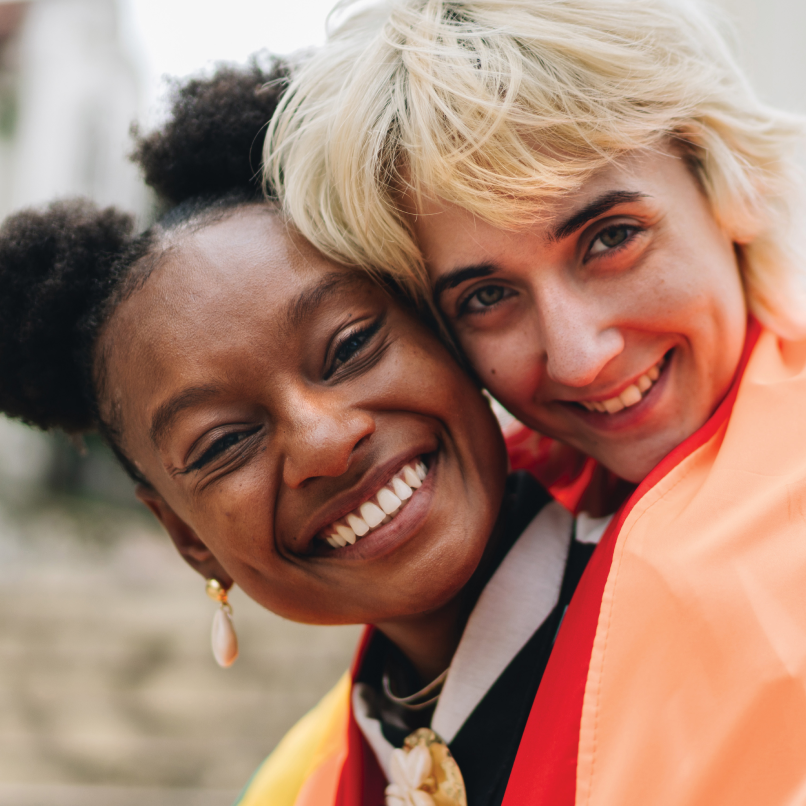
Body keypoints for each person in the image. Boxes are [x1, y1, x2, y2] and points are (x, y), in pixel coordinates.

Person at [0, 63, 613, 806]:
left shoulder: (726, 597)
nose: (325, 441)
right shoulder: (310, 782)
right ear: (188, 538)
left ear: (446, 333)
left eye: (351, 346)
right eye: (224, 442)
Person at [266, 1, 806, 803]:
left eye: (611, 237)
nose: (581, 357)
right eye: (487, 296)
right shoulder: (504, 531)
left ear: (729, 178)